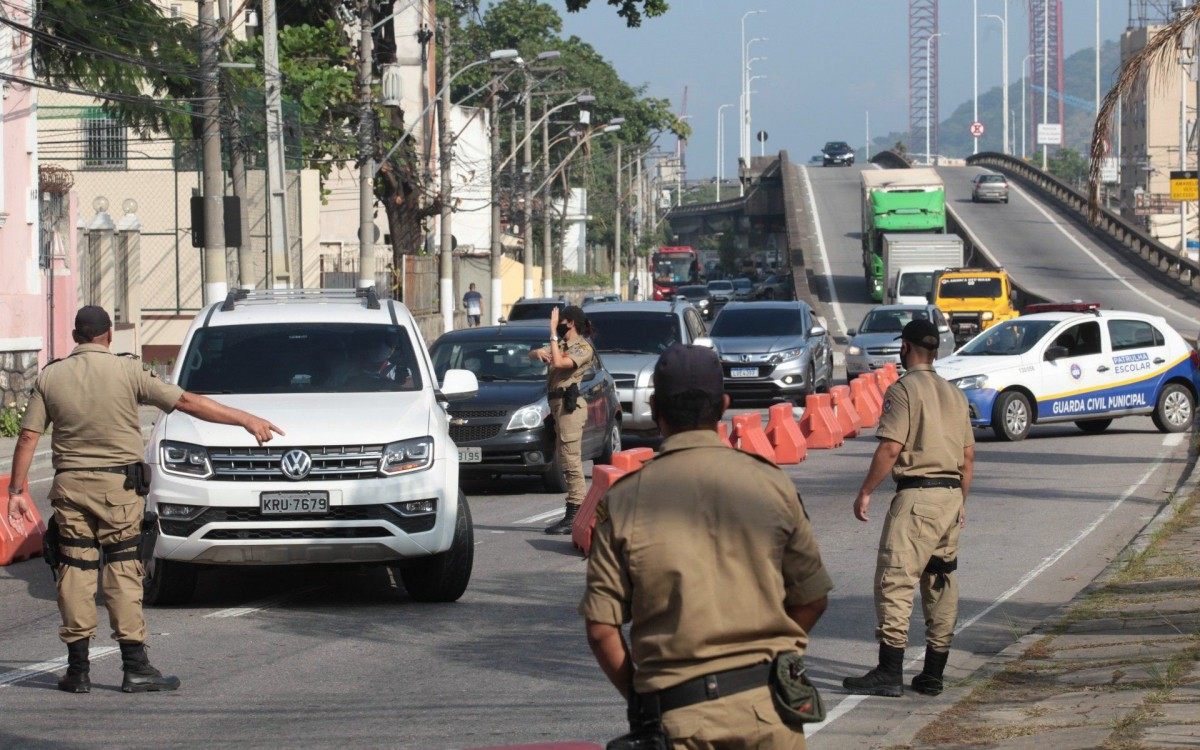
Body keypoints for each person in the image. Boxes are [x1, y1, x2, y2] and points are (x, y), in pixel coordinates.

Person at [5, 306, 283, 694]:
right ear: (107, 337)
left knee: (74, 568)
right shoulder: (128, 371)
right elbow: (186, 402)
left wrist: (16, 492)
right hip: (118, 490)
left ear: (75, 336)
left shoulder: (51, 376)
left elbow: (28, 437)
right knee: (123, 569)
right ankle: (135, 667)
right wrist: (246, 419)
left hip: (70, 489)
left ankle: (77, 670)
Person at [581, 344, 832, 748]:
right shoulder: (771, 483)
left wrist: (643, 701)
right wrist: (776, 654)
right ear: (724, 406)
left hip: (681, 719)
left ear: (655, 407)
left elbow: (601, 629)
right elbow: (813, 598)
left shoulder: (625, 499)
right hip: (769, 714)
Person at [843, 319, 975, 698]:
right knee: (940, 581)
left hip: (918, 496)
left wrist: (866, 491)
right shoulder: (954, 393)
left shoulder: (903, 391)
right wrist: (960, 502)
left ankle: (889, 670)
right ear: (934, 350)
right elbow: (968, 458)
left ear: (906, 348)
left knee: (895, 581)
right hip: (951, 496)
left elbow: (890, 448)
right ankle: (933, 671)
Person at [528, 305, 594, 535]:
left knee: (571, 461)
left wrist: (552, 334)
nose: (557, 324)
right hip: (556, 405)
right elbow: (535, 354)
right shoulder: (563, 345)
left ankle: (575, 512)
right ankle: (573, 512)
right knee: (565, 460)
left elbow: (559, 363)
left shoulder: (583, 347)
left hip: (570, 408)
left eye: (560, 321)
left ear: (571, 322)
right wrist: (538, 353)